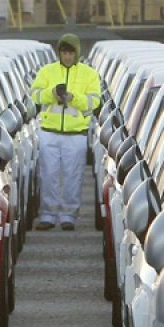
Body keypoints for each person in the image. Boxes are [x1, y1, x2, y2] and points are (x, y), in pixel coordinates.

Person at [29, 33, 102, 230]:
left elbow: (94, 101)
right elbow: (35, 95)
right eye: (63, 52)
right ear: (59, 52)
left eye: (70, 52)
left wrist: (72, 97)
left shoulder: (89, 74)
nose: (67, 56)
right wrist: (52, 94)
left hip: (76, 133)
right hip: (49, 131)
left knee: (73, 175)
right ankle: (48, 215)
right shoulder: (47, 71)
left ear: (76, 52)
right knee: (48, 174)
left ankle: (69, 215)